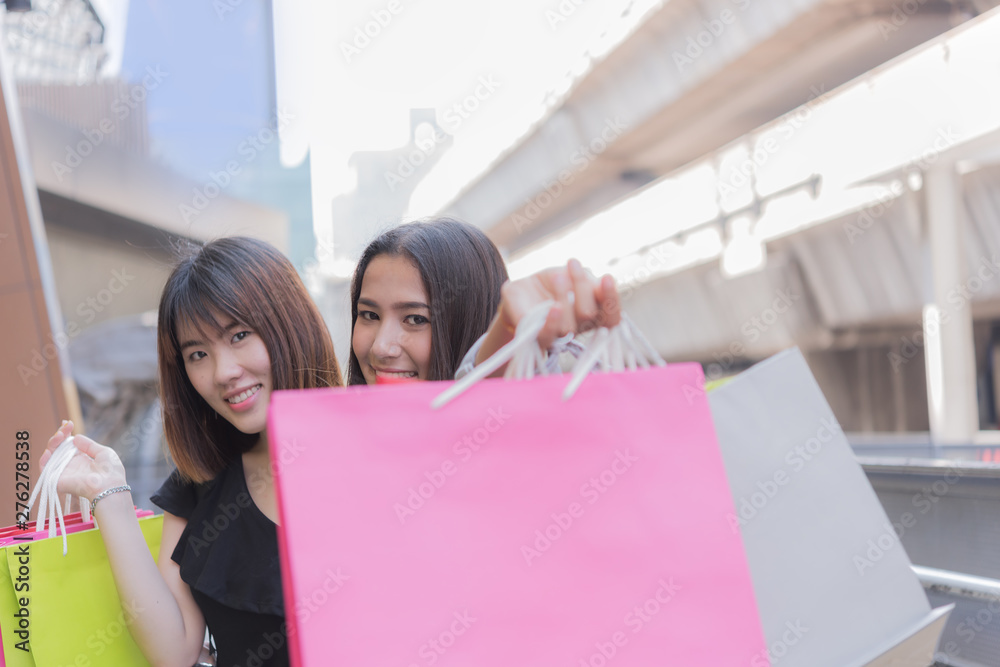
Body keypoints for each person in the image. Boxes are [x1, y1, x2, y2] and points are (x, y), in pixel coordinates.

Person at [41, 237, 341, 667]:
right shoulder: (202, 482)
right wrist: (108, 495)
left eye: (239, 335)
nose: (224, 373)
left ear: (290, 323)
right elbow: (175, 651)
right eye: (198, 354)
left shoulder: (370, 454)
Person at [348, 217, 622, 386]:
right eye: (369, 315)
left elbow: (481, 383)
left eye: (416, 319)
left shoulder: (503, 437)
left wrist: (513, 331)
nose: (381, 348)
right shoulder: (337, 441)